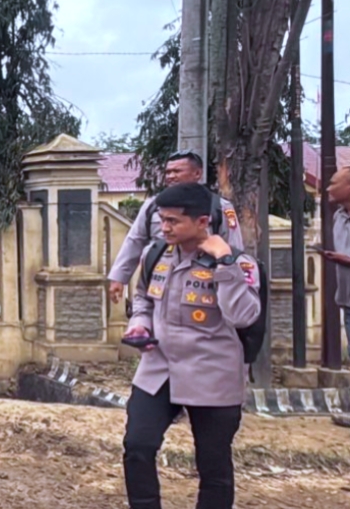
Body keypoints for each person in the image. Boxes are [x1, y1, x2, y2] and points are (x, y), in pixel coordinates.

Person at [122, 183, 261, 509]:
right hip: (159, 369)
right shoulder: (155, 254)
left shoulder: (238, 263)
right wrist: (140, 323)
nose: (164, 227)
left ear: (202, 221)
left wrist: (225, 263)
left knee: (213, 464)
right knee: (138, 445)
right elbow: (143, 297)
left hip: (212, 374)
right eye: (162, 220)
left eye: (173, 221)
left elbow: (243, 316)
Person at [108, 151, 246, 304]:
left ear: (197, 173)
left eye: (177, 171)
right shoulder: (153, 205)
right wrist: (119, 277)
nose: (171, 176)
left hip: (201, 284)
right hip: (160, 280)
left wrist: (234, 279)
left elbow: (233, 248)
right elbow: (134, 241)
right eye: (168, 172)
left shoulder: (219, 207)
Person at [318, 166, 350, 366]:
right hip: (348, 301)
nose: (328, 189)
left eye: (334, 183)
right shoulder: (338, 216)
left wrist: (347, 260)